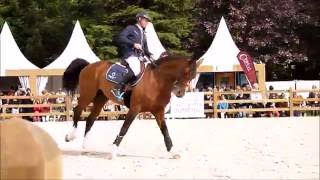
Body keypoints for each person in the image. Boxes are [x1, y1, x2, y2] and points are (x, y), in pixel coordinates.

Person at [111, 12, 153, 101]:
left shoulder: (143, 33)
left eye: (147, 21)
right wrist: (133, 44)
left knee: (151, 68)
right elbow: (121, 37)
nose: (146, 22)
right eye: (145, 20)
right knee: (136, 68)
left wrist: (150, 55)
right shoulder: (131, 28)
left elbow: (145, 48)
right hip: (130, 54)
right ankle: (117, 87)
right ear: (139, 19)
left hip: (139, 56)